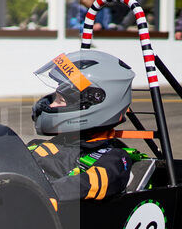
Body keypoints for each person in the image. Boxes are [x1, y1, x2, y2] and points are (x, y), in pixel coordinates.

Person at [27, 50, 141, 202]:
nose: (52, 104)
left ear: (91, 104)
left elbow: (82, 185)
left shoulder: (115, 159)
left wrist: (36, 196)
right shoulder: (47, 146)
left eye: (60, 101)